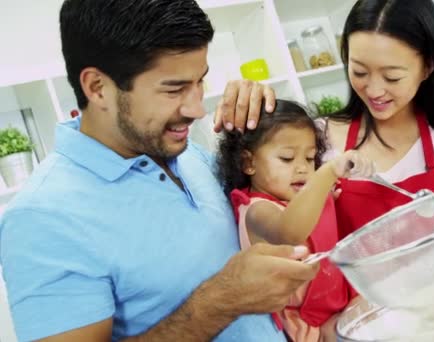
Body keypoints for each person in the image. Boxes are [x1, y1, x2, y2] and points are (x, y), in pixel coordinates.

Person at [0, 1, 318, 341]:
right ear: (97, 87)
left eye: (200, 82)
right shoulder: (42, 217)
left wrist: (261, 130)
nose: (197, 108)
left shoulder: (183, 151)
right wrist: (220, 303)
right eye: (174, 89)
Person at [217, 0, 434, 304]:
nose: (374, 90)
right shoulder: (319, 138)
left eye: (392, 77)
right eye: (359, 71)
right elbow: (273, 217)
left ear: (428, 66)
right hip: (354, 320)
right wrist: (243, 106)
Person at [216, 100, 373, 341]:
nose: (302, 168)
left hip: (338, 298)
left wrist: (324, 195)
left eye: (310, 159)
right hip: (309, 324)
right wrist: (326, 174)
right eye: (287, 159)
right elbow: (289, 232)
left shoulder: (294, 198)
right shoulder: (256, 210)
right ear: (249, 163)